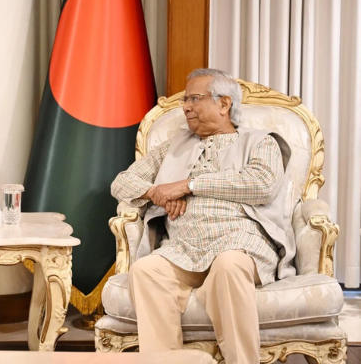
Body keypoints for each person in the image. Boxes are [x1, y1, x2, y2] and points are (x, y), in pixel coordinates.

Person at [111, 68, 294, 364]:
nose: (186, 107)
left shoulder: (261, 142)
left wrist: (188, 185)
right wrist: (156, 192)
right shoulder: (173, 147)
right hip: (182, 247)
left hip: (239, 243)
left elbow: (262, 184)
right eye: (185, 100)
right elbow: (121, 183)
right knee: (146, 270)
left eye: (194, 99)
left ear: (224, 103)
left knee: (228, 265)